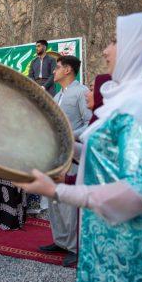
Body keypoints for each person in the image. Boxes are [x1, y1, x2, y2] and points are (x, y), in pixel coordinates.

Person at [15, 13, 142, 282]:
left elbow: (138, 192)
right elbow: (104, 153)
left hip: (134, 250)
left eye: (114, 41)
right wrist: (54, 142)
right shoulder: (132, 98)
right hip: (110, 237)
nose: (105, 49)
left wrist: (56, 190)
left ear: (141, 47)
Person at [39, 55, 92, 267]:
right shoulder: (57, 95)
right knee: (55, 199)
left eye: (58, 67)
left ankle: (75, 247)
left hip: (72, 155)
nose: (54, 71)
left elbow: (90, 123)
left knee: (70, 203)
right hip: (54, 155)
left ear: (68, 70)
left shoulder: (82, 92)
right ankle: (61, 240)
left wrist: (70, 136)